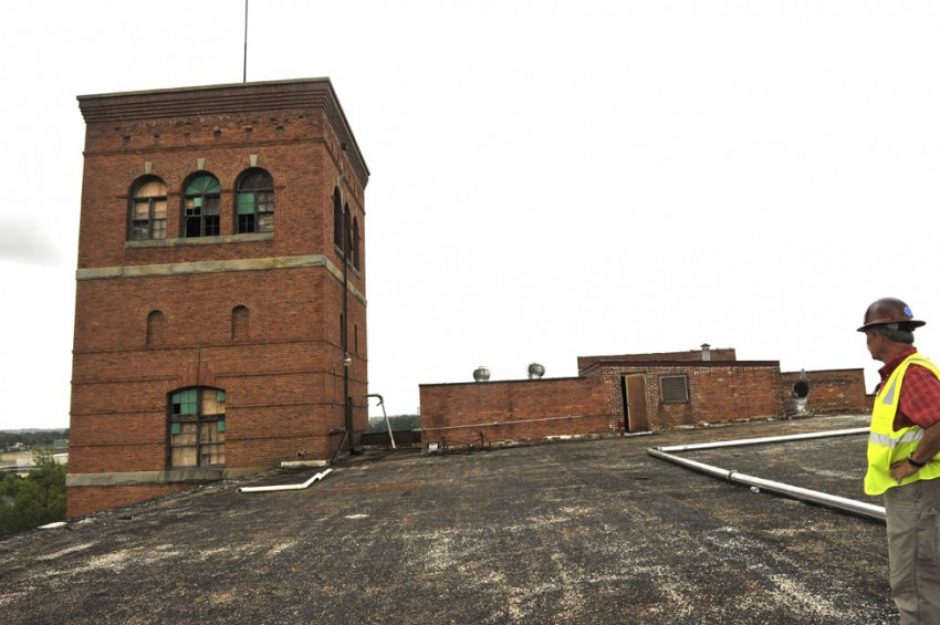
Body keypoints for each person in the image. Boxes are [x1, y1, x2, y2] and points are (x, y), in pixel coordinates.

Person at [860, 297, 940, 625]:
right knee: (922, 576)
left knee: (915, 582)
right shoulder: (900, 373)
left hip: (915, 491)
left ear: (880, 335)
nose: (866, 342)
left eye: (868, 334)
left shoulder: (911, 373)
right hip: (913, 491)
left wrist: (915, 462)